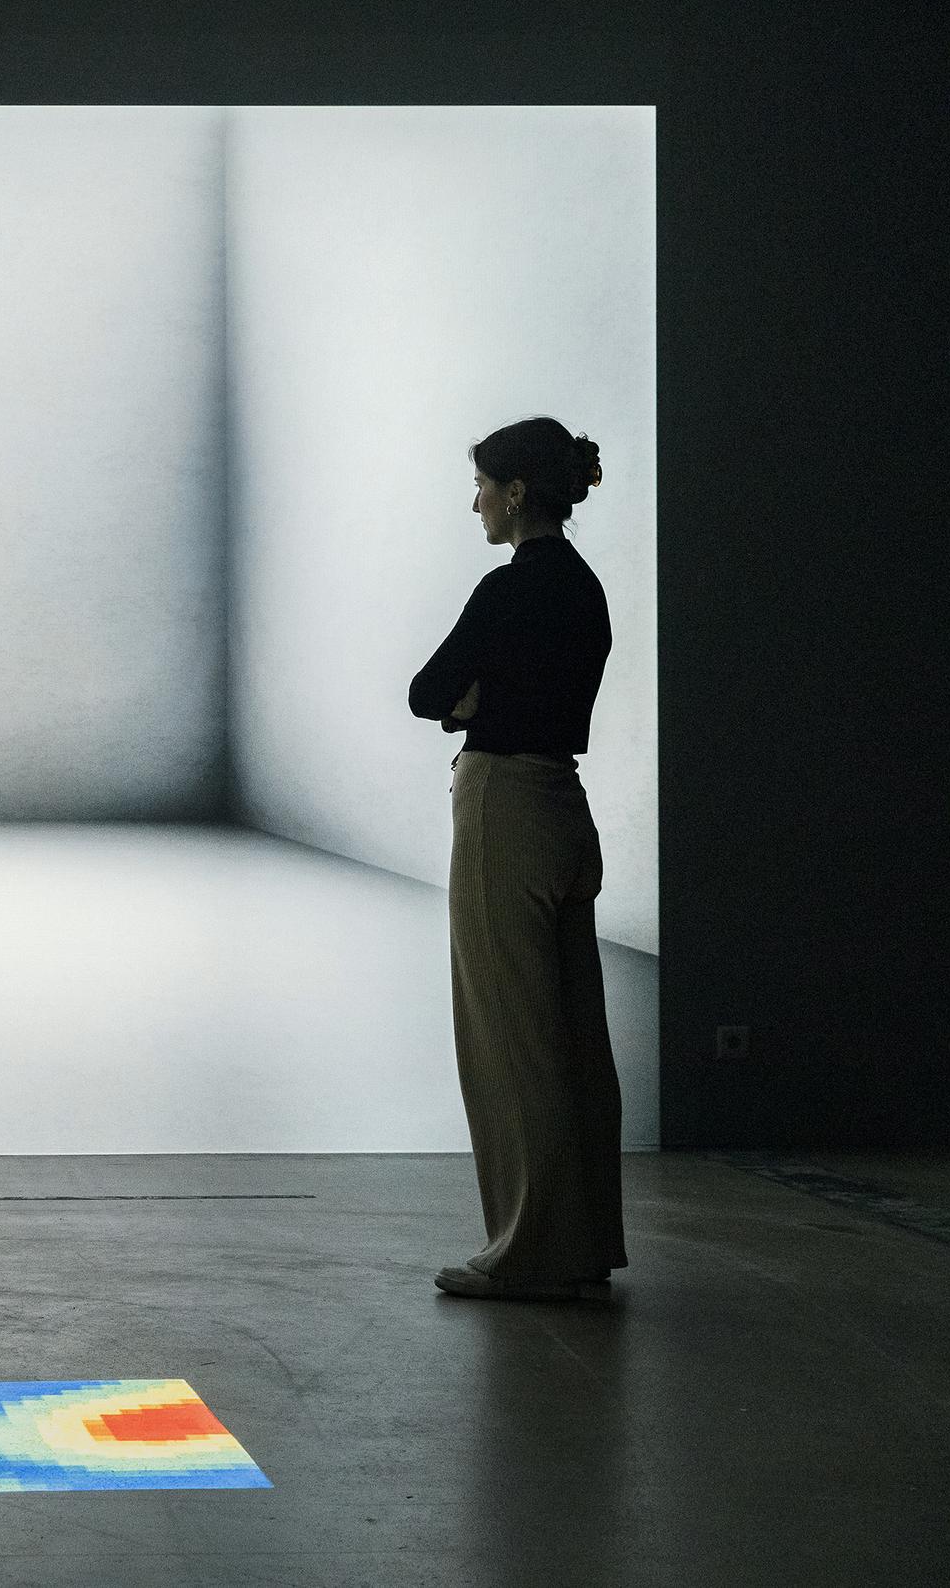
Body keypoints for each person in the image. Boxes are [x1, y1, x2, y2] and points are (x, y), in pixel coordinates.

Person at [408, 416, 622, 1303]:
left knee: (512, 1042)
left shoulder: (507, 591)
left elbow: (426, 692)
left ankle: (528, 1250)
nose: (477, 503)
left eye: (484, 486)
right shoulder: (586, 588)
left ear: (517, 492)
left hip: (504, 807)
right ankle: (583, 1248)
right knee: (575, 1043)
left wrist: (475, 700)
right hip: (566, 808)